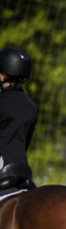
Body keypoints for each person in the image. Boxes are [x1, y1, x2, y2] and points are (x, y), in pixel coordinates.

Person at [0, 46, 38, 191]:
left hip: (2, 171)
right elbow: (25, 142)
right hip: (24, 172)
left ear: (3, 75)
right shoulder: (31, 105)